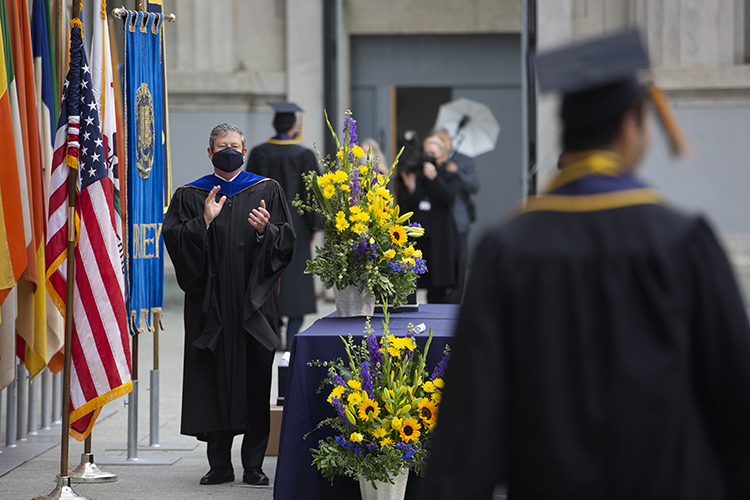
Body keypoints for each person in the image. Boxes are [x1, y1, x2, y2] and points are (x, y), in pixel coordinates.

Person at [421, 30, 750, 499]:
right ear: (630, 126)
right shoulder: (682, 241)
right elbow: (736, 402)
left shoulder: (508, 250)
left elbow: (468, 430)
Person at [163, 123, 295, 486]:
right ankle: (219, 464)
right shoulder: (191, 195)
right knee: (212, 382)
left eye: (235, 145)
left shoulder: (266, 190)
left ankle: (253, 464)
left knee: (255, 380)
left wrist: (264, 230)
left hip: (253, 306)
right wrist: (202, 222)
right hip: (211, 306)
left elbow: (286, 241)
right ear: (210, 153)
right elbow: (173, 238)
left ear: (245, 149)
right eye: (222, 146)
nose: (229, 151)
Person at [246, 102, 319, 346]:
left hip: (264, 226)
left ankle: (273, 331)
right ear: (294, 126)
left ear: (273, 123)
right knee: (296, 281)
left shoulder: (258, 153)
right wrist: (313, 226)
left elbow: (249, 192)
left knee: (269, 276)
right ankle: (293, 336)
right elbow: (313, 197)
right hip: (295, 227)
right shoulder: (304, 155)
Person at [399, 135, 462, 303]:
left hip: (441, 236)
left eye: (432, 153)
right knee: (414, 281)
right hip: (421, 235)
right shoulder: (420, 175)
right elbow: (414, 202)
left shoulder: (450, 175)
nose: (429, 156)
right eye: (426, 153)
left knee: (438, 286)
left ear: (443, 155)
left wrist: (435, 178)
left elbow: (449, 198)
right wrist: (411, 186)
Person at [433, 129, 480, 303]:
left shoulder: (463, 159)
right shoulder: (433, 159)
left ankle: (453, 305)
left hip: (458, 220)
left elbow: (475, 185)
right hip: (438, 221)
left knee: (458, 269)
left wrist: (457, 171)